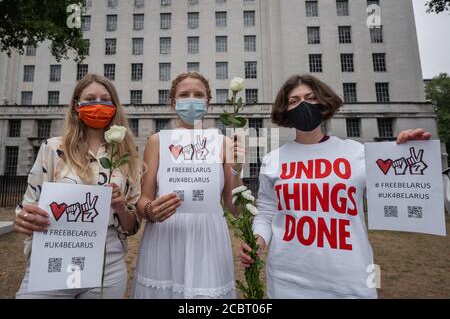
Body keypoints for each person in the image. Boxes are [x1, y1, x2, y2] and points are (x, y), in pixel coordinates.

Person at [240, 74, 432, 299]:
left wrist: (407, 151)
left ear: (323, 102)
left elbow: (400, 189)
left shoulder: (357, 153)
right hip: (287, 278)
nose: (303, 104)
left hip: (350, 278)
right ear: (285, 111)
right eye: (294, 101)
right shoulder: (273, 160)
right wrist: (257, 241)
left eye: (310, 98)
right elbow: (267, 212)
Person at [14, 74, 143, 299]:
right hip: (52, 259)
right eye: (90, 99)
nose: (98, 105)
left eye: (105, 99)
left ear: (114, 107)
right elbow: (27, 206)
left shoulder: (128, 157)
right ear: (76, 106)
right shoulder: (52, 148)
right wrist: (26, 217)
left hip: (107, 265)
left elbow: (132, 227)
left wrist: (121, 207)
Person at [133, 72, 245, 299]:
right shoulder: (157, 141)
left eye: (198, 94)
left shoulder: (223, 143)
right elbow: (142, 198)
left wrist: (237, 168)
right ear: (173, 102)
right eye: (184, 95)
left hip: (208, 237)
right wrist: (150, 210)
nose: (191, 99)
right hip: (165, 233)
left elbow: (235, 209)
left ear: (208, 102)